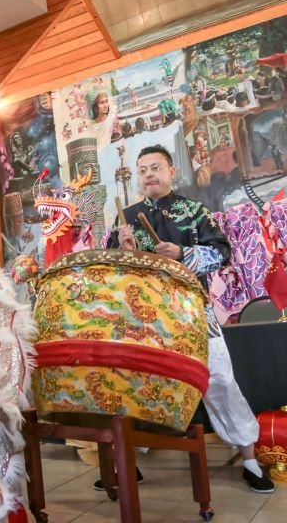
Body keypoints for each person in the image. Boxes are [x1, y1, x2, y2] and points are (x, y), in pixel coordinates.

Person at [102, 144, 275, 494]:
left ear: (171, 172)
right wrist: (121, 249)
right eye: (143, 169)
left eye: (156, 167)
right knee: (135, 383)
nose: (149, 174)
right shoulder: (127, 217)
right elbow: (111, 269)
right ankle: (128, 460)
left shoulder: (194, 211)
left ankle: (250, 458)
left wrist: (183, 253)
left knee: (220, 379)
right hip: (143, 315)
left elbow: (222, 253)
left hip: (194, 309)